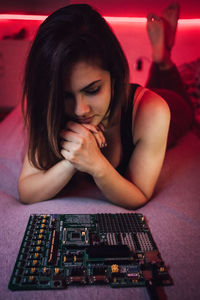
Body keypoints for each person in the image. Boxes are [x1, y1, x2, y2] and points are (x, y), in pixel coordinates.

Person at [18, 3, 193, 208]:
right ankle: (161, 57)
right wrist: (72, 162)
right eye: (64, 96)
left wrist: (96, 164)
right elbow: (27, 191)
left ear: (115, 76)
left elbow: (139, 195)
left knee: (182, 100)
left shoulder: (153, 111)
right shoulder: (47, 106)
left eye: (92, 90)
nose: (80, 110)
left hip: (174, 106)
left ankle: (163, 60)